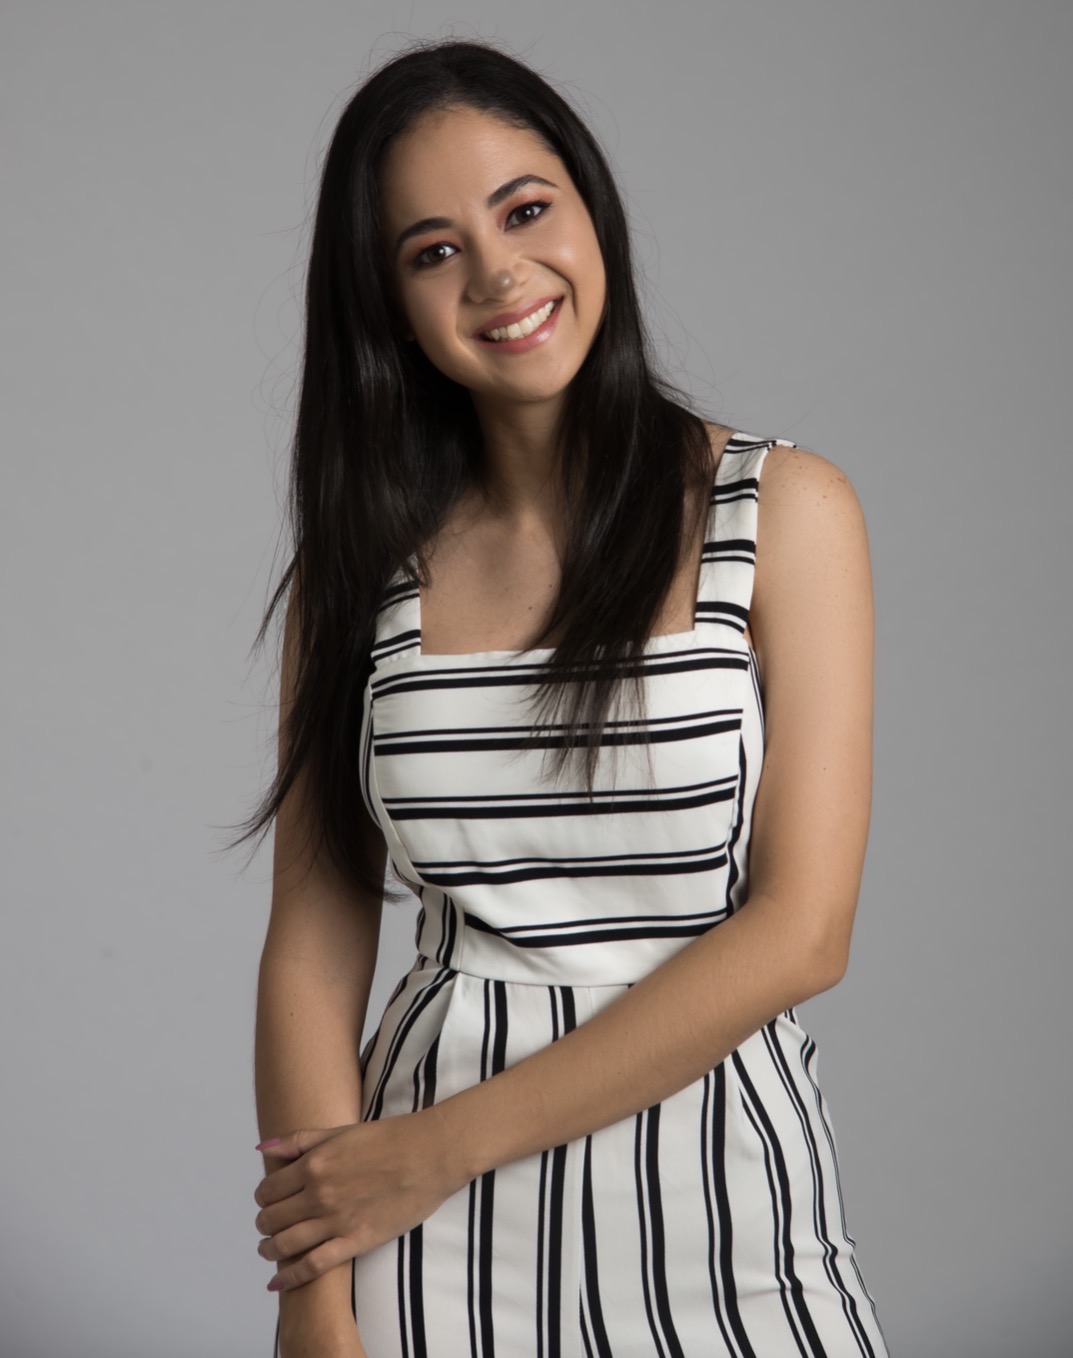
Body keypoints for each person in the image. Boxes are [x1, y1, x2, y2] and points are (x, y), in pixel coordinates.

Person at [245, 38, 888, 1358]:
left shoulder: (783, 511)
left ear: (593, 213)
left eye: (525, 209)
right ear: (388, 305)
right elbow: (311, 942)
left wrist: (435, 1149)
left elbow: (803, 932)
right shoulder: (360, 576)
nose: (497, 275)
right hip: (419, 1238)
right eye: (433, 251)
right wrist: (316, 1293)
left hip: (720, 1197)